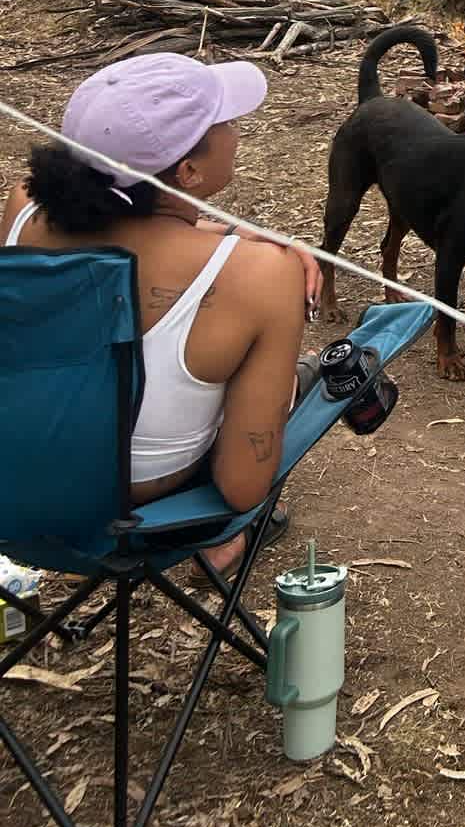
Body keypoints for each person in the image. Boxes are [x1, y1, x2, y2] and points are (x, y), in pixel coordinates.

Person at [1, 52, 320, 573]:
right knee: (280, 376)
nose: (237, 130)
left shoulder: (24, 204)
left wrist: (229, 232)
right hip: (128, 513)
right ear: (189, 171)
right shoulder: (258, 276)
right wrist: (248, 249)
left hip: (10, 483)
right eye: (226, 123)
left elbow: (116, 238)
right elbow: (242, 488)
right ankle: (219, 545)